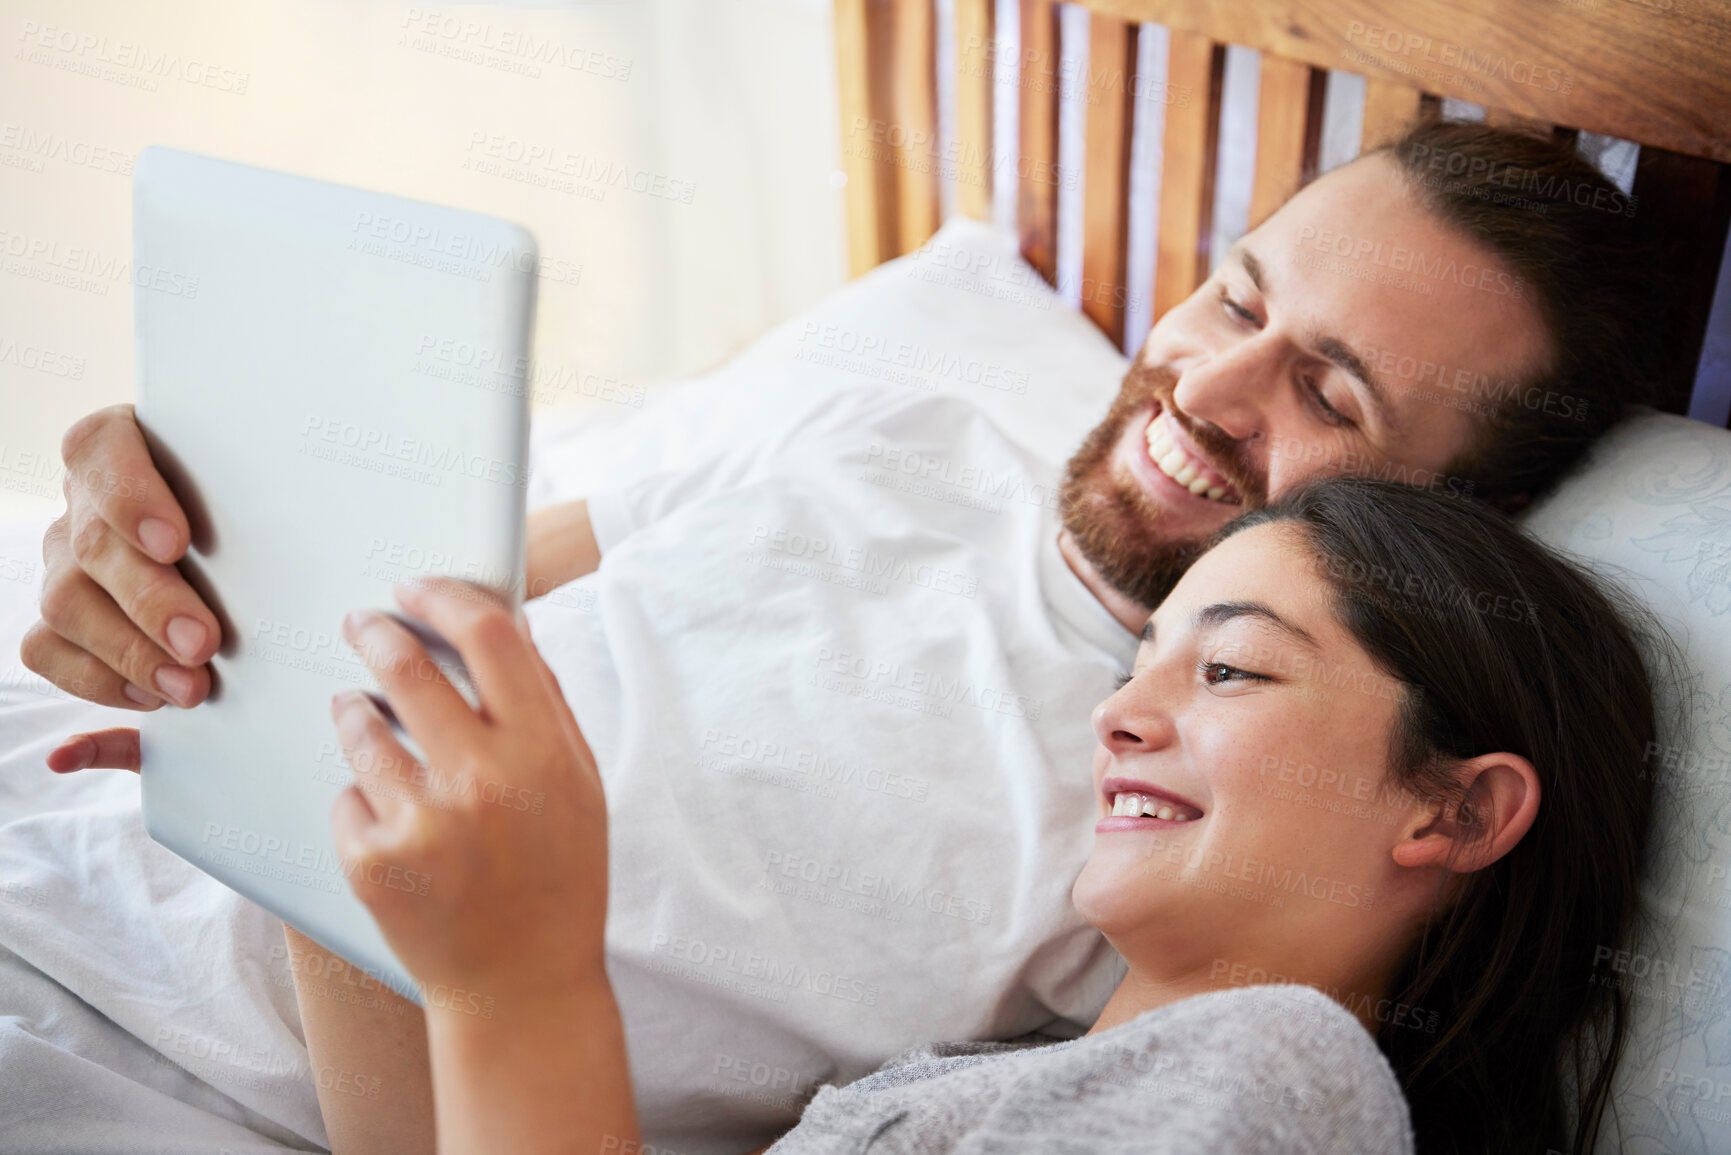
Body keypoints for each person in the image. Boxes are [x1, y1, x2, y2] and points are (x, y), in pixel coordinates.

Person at [21, 120, 1665, 1150]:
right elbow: (370, 584)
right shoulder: (877, 432)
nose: (1210, 390)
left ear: (1441, 520)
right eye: (1239, 301)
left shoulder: (1172, 858)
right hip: (77, 826)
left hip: (168, 1049)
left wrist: (322, 802)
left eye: (1331, 392)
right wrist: (166, 529)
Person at [306, 478, 1661, 1154]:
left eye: (1231, 668)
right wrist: (323, 848)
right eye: (1141, 664)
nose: (1118, 719)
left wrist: (522, 986)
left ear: (1461, 807)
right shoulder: (1002, 1070)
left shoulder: (1282, 1081)